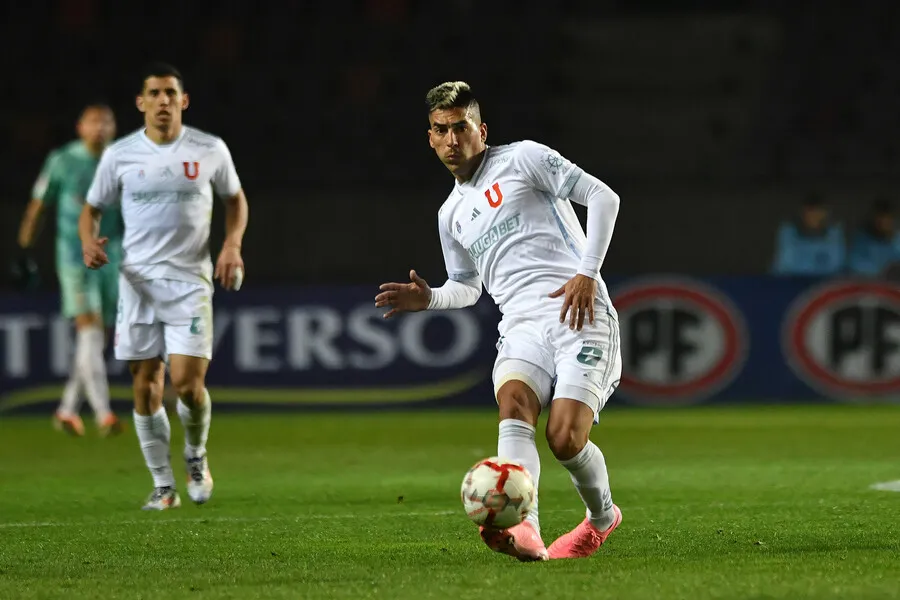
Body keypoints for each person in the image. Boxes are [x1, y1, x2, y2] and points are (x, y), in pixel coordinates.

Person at [376, 82, 623, 561]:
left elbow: (604, 197)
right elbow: (467, 286)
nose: (452, 140)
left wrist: (587, 273)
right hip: (521, 325)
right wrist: (429, 299)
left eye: (460, 127)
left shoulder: (524, 159)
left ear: (480, 129)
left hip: (579, 311)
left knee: (565, 439)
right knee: (514, 405)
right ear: (430, 137)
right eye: (440, 130)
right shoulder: (450, 215)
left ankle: (600, 518)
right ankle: (524, 527)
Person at [79, 62, 249, 510]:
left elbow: (235, 199)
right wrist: (86, 242)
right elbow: (91, 208)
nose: (162, 101)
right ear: (141, 102)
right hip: (137, 284)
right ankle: (162, 485)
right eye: (154, 93)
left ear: (183, 101)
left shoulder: (209, 149)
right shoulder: (120, 155)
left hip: (190, 282)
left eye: (170, 93)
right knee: (144, 385)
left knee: (187, 384)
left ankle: (195, 455)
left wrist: (232, 245)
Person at [16, 103, 124, 437]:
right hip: (73, 256)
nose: (100, 128)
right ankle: (104, 414)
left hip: (112, 257)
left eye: (106, 122)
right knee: (89, 328)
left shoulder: (122, 160)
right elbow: (39, 205)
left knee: (97, 336)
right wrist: (24, 250)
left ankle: (66, 409)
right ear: (80, 127)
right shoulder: (62, 160)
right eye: (94, 122)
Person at [771, 194, 846, 276]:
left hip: (824, 286)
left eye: (818, 213)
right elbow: (785, 268)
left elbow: (836, 268)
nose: (814, 218)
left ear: (825, 214)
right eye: (810, 212)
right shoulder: (788, 235)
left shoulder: (834, 236)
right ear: (803, 213)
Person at [848, 199, 900, 276]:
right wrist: (882, 270)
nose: (882, 223)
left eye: (886, 218)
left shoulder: (897, 239)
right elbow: (853, 264)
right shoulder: (862, 239)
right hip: (869, 283)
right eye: (879, 218)